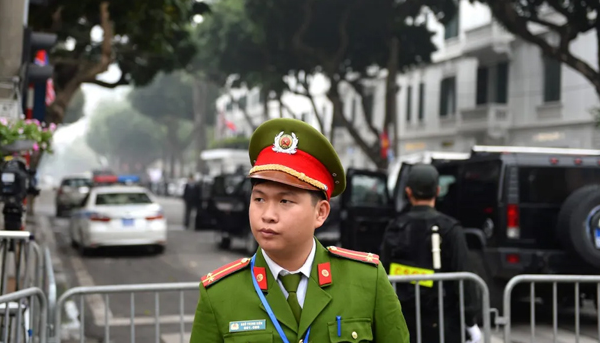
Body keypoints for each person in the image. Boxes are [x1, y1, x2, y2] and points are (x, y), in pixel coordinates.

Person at [190, 118, 409, 342]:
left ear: (321, 213)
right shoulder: (219, 294)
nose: (268, 214)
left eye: (285, 201)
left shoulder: (366, 280)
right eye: (259, 199)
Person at [379, 164, 482, 343]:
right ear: (438, 190)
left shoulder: (395, 228)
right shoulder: (450, 228)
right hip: (443, 325)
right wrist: (470, 320)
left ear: (408, 192)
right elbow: (463, 275)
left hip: (403, 323)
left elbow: (383, 274)